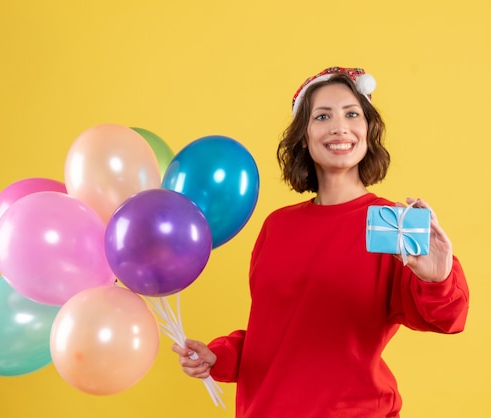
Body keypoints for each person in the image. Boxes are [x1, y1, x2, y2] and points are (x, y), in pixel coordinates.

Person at [172, 66, 470, 417]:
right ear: (304, 135)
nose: (339, 127)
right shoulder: (277, 226)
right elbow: (275, 336)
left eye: (352, 114)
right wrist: (220, 356)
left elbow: (449, 318)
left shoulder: (393, 225)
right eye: (323, 116)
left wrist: (437, 279)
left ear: (368, 130)